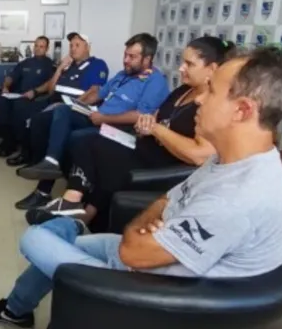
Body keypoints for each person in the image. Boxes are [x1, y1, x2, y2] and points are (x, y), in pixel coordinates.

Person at [0, 47, 282, 329]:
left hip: (149, 292)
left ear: (242, 110)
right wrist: (152, 228)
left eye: (211, 91)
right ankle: (16, 310)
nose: (199, 97)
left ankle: (71, 222)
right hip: (147, 260)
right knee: (59, 237)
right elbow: (166, 199)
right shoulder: (230, 161)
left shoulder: (240, 198)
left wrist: (141, 234)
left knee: (34, 238)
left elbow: (133, 250)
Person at [25, 37, 235, 231]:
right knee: (81, 137)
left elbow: (199, 154)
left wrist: (155, 128)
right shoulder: (184, 90)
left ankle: (74, 205)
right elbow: (157, 115)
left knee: (91, 144)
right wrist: (149, 123)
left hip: (162, 162)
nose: (181, 68)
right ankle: (77, 208)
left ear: (212, 69)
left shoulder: (214, 104)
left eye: (189, 64)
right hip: (145, 142)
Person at [14, 33, 169, 209]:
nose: (125, 60)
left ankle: (48, 191)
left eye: (132, 57)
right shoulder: (123, 75)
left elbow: (140, 115)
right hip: (98, 117)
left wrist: (104, 118)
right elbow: (98, 94)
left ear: (148, 58)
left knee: (75, 137)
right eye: (125, 54)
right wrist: (76, 105)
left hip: (120, 129)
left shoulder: (156, 82)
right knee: (54, 115)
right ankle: (50, 162)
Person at [4, 33, 109, 167]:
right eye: (71, 45)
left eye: (77, 45)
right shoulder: (68, 66)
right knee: (21, 107)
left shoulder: (97, 64)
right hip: (53, 100)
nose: (73, 49)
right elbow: (51, 90)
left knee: (37, 119)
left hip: (71, 106)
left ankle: (34, 160)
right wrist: (59, 69)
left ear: (87, 47)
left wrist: (69, 105)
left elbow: (94, 93)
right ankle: (22, 150)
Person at [0, 36, 56, 158]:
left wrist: (35, 92)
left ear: (47, 49)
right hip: (19, 94)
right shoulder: (25, 63)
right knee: (1, 101)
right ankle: (7, 138)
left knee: (19, 106)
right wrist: (5, 86)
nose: (37, 49)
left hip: (36, 97)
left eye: (41, 46)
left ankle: (15, 143)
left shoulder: (49, 65)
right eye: (36, 46)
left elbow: (50, 84)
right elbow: (11, 76)